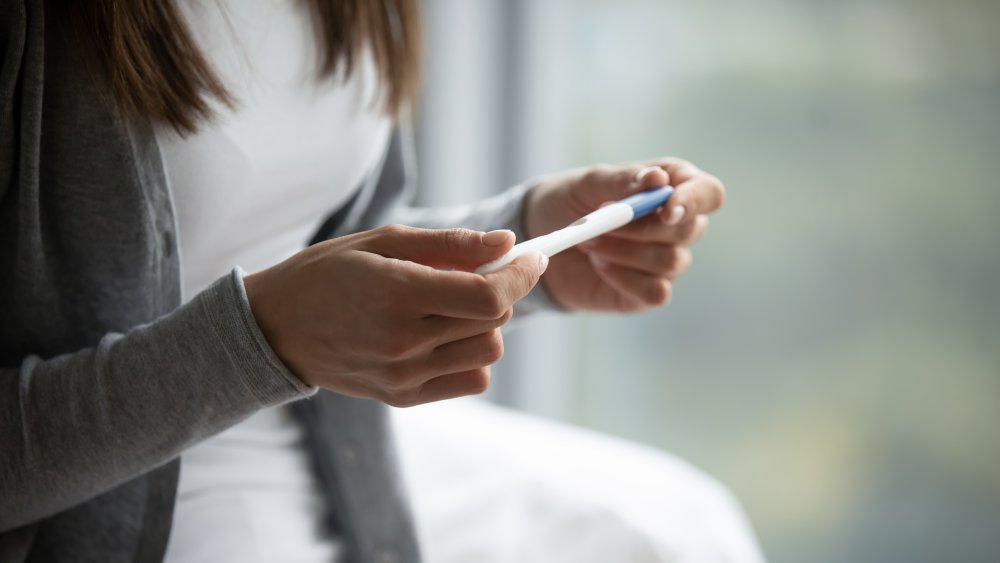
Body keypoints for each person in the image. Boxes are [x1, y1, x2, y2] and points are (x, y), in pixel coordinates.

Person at [0, 0, 758, 561]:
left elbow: (313, 236)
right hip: (104, 519)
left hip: (337, 450)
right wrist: (259, 344)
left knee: (680, 526)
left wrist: (533, 238)